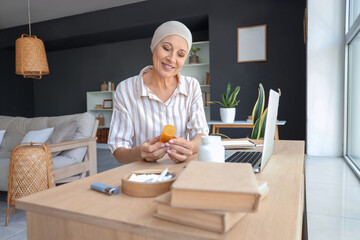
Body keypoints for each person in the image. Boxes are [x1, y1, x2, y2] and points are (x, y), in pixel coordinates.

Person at [108, 21, 209, 164]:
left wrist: (190, 147)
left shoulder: (191, 86)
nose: (172, 58)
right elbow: (119, 151)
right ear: (154, 46)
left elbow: (201, 134)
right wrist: (140, 152)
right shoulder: (125, 89)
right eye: (166, 48)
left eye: (180, 54)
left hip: (181, 170)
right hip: (142, 175)